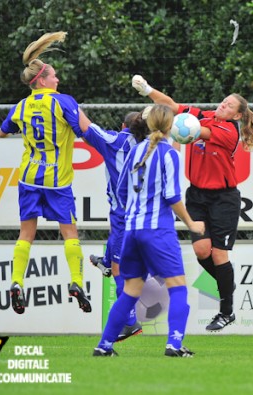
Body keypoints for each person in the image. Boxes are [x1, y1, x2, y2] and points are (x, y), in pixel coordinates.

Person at [131, 75, 253, 331]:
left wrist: (177, 126)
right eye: (224, 101)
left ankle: (226, 310)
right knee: (201, 251)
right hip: (197, 195)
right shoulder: (205, 115)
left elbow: (196, 130)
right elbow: (173, 106)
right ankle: (225, 285)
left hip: (224, 198)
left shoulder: (228, 131)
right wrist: (148, 91)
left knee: (219, 254)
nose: (224, 105)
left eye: (230, 106)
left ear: (237, 115)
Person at [92, 104, 205, 357]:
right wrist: (191, 224)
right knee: (178, 287)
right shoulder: (169, 154)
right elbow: (173, 196)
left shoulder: (135, 151)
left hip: (131, 231)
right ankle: (174, 345)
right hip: (157, 231)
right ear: (171, 127)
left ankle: (104, 345)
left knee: (131, 291)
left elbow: (120, 191)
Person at [0, 31, 91, 315]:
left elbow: (2, 133)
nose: (58, 80)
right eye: (54, 77)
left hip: (28, 177)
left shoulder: (21, 106)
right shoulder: (63, 102)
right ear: (42, 80)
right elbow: (85, 132)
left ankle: (16, 282)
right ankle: (76, 282)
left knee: (26, 232)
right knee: (69, 232)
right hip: (57, 181)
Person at [83, 111, 148, 341]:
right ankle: (106, 262)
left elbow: (86, 127)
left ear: (123, 126)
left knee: (122, 270)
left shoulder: (115, 140)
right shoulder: (151, 144)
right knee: (115, 251)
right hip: (143, 213)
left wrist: (66, 104)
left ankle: (130, 322)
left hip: (124, 214)